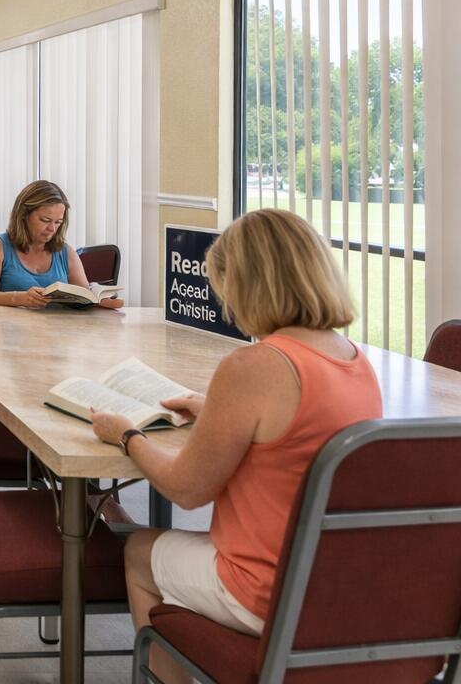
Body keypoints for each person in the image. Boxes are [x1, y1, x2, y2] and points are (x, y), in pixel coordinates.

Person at [90, 209, 381, 683]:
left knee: (139, 550)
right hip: (335, 583)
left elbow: (186, 490)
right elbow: (292, 433)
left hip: (264, 590)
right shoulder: (354, 360)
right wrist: (215, 411)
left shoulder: (254, 365)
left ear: (248, 284)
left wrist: (126, 435)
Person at [0, 179, 122, 309]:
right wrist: (20, 298)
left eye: (58, 222)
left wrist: (99, 300)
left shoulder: (66, 252)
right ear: (23, 215)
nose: (52, 229)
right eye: (44, 220)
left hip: (57, 334)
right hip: (10, 335)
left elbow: (85, 295)